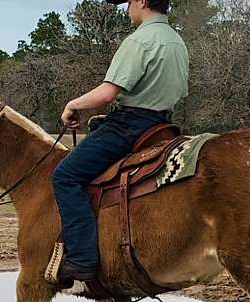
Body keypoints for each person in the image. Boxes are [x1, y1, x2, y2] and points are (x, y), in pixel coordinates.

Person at [52, 0, 189, 285]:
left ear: (141, 1)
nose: (126, 8)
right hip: (163, 125)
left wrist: (73, 105)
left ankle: (82, 261)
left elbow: (107, 94)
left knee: (65, 176)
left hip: (130, 125)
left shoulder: (139, 40)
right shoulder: (177, 42)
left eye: (128, 2)